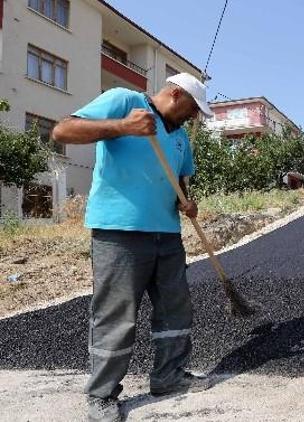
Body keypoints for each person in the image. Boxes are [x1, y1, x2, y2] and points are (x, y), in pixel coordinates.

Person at [52, 73, 214, 422]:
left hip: (167, 235)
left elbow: (180, 179)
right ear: (174, 94)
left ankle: (169, 377)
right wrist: (124, 126)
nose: (194, 117)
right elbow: (62, 131)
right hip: (119, 232)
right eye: (193, 108)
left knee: (175, 309)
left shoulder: (182, 137)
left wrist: (187, 202)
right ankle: (102, 394)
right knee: (116, 315)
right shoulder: (125, 102)